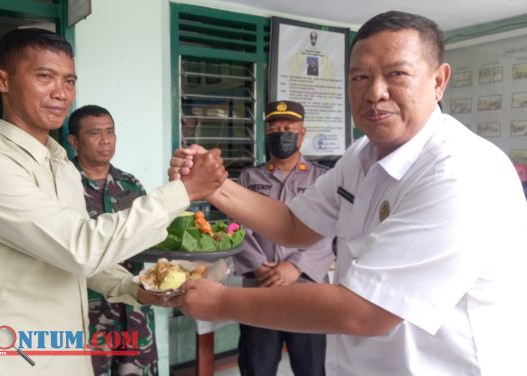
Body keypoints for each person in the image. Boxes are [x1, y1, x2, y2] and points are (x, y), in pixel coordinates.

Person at [168, 11, 527, 375]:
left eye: (397, 74)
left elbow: (366, 312)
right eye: (360, 77)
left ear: (439, 81)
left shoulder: (460, 173)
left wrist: (224, 302)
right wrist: (213, 186)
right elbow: (294, 224)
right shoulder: (362, 156)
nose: (374, 93)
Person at [0, 28, 226, 376]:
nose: (60, 93)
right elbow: (81, 248)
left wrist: (133, 288)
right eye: (44, 77)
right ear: (1, 80)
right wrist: (184, 191)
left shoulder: (61, 167)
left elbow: (78, 257)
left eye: (69, 80)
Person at [234, 100, 332, 376]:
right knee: (256, 365)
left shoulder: (323, 178)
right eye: (275, 129)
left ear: (302, 133)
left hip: (306, 287)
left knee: (310, 366)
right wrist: (257, 265)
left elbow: (329, 228)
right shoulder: (249, 178)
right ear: (266, 134)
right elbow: (236, 228)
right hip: (260, 286)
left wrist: (296, 265)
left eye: (289, 128)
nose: (282, 134)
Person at [68, 105, 159, 375]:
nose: (105, 140)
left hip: (134, 311)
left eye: (110, 132)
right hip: (87, 316)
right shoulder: (64, 185)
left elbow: (150, 235)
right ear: (74, 141)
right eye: (95, 133)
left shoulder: (131, 185)